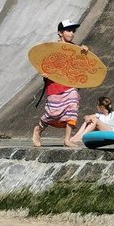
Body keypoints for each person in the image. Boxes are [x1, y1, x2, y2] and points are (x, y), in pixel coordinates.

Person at [33, 18, 92, 148]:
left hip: (70, 86)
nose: (72, 33)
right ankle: (38, 129)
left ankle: (67, 139)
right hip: (54, 85)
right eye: (68, 31)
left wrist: (84, 53)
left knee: (72, 108)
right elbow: (45, 64)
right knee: (52, 113)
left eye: (73, 31)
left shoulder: (75, 49)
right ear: (60, 33)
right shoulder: (52, 49)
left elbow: (82, 66)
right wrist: (44, 74)